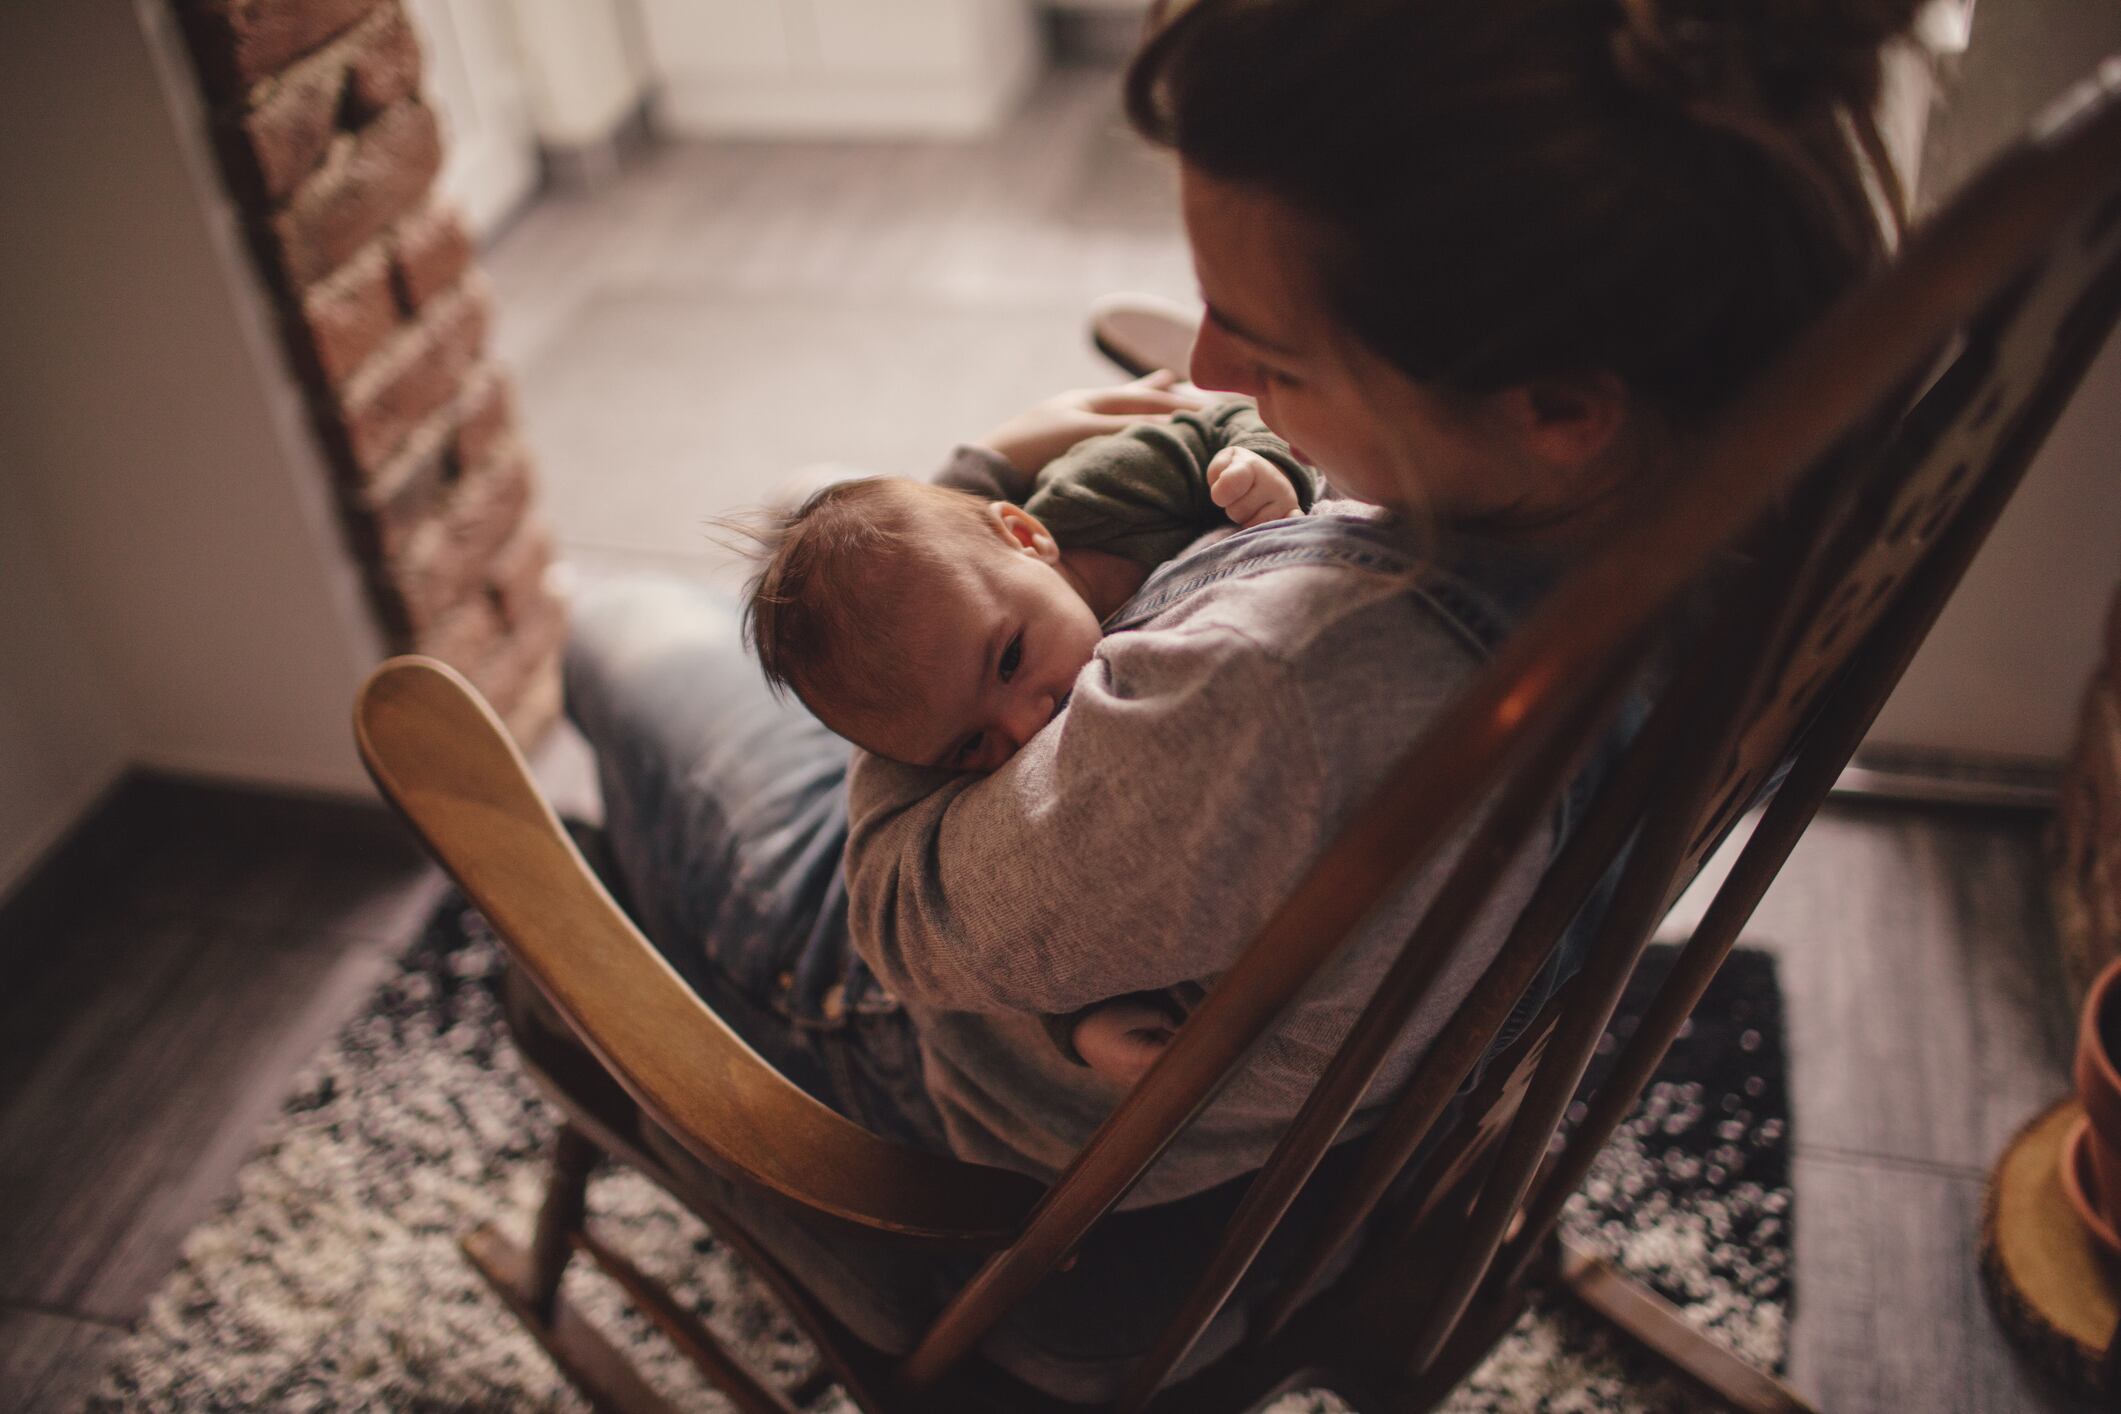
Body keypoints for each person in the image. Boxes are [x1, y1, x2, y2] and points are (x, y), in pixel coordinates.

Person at [562, 0, 1927, 1391]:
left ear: (1555, 404)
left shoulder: (1284, 685)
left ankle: (639, 906)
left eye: (1271, 348)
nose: (1210, 368)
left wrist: (974, 489)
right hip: (1391, 1106)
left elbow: (900, 918)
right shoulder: (1757, 464)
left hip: (1031, 1172)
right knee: (816, 542)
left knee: (615, 636)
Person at [737, 399, 1316, 771]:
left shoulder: (1102, 489)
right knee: (820, 519)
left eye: (1010, 659)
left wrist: (1259, 465)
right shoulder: (973, 633)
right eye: (969, 746)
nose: (1025, 726)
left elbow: (1220, 419)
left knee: (821, 503)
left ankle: (803, 495)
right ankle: (801, 499)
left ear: (1026, 535)